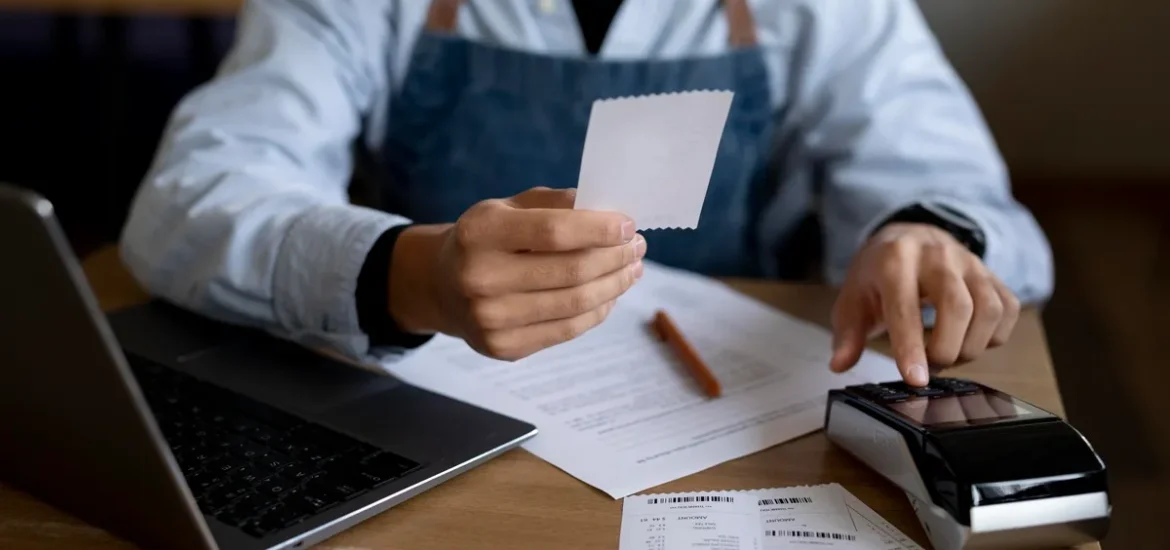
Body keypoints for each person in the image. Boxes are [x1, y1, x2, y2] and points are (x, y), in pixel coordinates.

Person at [119, 0, 1053, 387]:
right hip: (426, 413)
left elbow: (971, 202)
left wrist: (926, 233)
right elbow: (184, 200)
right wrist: (405, 276)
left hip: (726, 418)